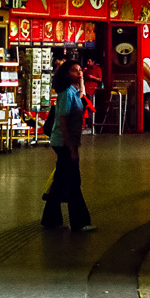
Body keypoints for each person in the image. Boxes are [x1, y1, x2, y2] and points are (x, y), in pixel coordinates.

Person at [41, 61, 94, 231]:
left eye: (80, 70)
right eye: (74, 70)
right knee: (73, 182)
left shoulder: (74, 91)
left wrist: (81, 80)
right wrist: (71, 147)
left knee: (60, 181)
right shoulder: (65, 94)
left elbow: (82, 95)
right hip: (63, 142)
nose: (79, 73)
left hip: (66, 142)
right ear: (65, 74)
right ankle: (80, 222)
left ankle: (51, 219)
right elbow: (63, 121)